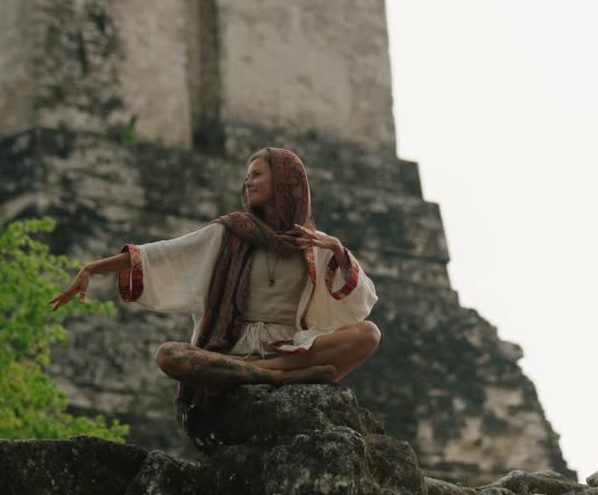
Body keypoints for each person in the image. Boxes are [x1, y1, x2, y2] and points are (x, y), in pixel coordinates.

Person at [46, 146, 380, 424]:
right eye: (247, 176)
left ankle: (261, 369)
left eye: (257, 174)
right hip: (233, 348)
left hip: (290, 346)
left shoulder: (314, 245)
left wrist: (336, 249)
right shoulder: (232, 232)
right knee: (170, 355)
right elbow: (164, 254)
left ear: (283, 180)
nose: (248, 182)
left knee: (369, 335)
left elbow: (358, 301)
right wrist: (92, 268)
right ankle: (277, 376)